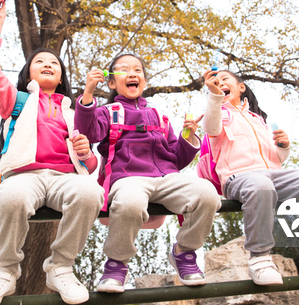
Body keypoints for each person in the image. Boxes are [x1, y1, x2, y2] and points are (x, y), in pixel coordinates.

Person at [0, 0, 104, 305]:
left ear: (60, 77)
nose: (48, 64)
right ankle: (5, 272)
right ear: (28, 73)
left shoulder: (73, 111)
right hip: (25, 174)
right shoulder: (16, 100)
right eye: (40, 62)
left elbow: (91, 161)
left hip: (64, 178)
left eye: (54, 64)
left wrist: (85, 153)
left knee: (89, 192)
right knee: (12, 197)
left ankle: (60, 267)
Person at [74, 54, 221, 293]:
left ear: (143, 80)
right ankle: (116, 264)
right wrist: (88, 94)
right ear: (112, 83)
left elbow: (176, 159)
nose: (132, 73)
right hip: (128, 177)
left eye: (137, 70)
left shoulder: (159, 116)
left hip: (166, 177)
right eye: (123, 70)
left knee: (207, 194)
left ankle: (184, 252)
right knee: (130, 202)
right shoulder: (107, 112)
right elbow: (87, 132)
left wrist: (188, 137)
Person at [199, 69, 299, 285]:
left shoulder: (258, 119)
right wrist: (214, 96)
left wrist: (284, 147)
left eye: (225, 79)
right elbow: (211, 128)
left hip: (272, 175)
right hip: (238, 177)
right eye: (216, 81)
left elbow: (275, 158)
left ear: (241, 87)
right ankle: (259, 258)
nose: (220, 82)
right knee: (261, 186)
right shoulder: (218, 113)